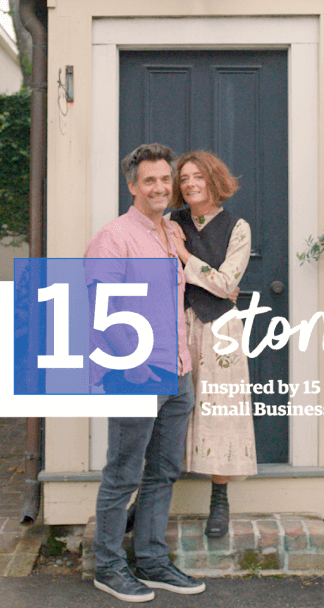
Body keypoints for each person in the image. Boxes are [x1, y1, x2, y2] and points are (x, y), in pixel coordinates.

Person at [84, 143, 206, 603]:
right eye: (149, 180)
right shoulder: (114, 237)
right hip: (135, 373)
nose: (160, 187)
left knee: (163, 471)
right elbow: (98, 307)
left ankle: (152, 561)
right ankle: (109, 567)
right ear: (133, 186)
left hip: (176, 370)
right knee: (123, 473)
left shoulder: (171, 232)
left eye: (165, 179)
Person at [168, 150, 257, 539]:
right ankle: (149, 496)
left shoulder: (238, 228)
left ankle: (219, 501)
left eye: (197, 177)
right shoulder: (171, 222)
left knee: (221, 412)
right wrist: (213, 279)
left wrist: (185, 255)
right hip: (175, 323)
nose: (189, 184)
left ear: (214, 180)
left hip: (220, 330)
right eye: (184, 178)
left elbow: (225, 284)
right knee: (167, 411)